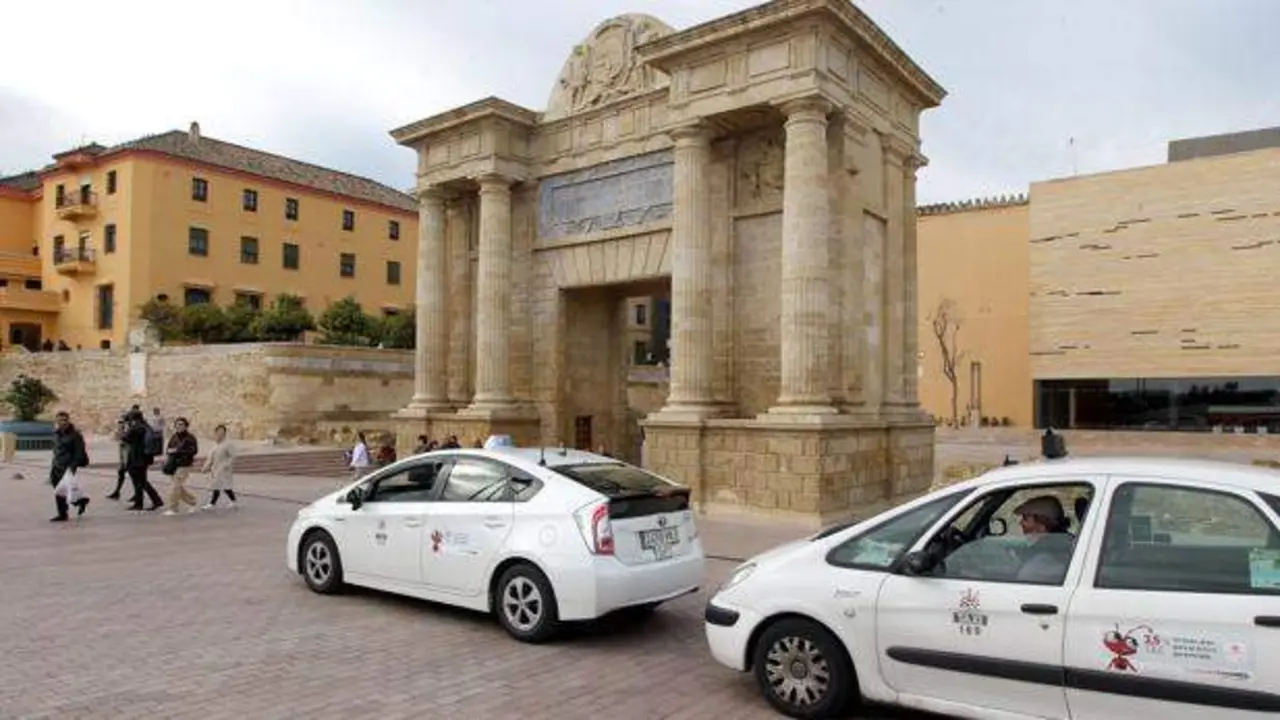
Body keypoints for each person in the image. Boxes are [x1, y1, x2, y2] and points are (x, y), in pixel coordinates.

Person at [1012, 495, 1074, 583]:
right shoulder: (1068, 541)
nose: (1021, 523)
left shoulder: (1038, 565)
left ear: (1041, 525)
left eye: (1025, 518)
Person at [49, 411, 90, 522]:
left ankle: (62, 514)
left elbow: (79, 453)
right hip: (56, 465)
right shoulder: (56, 433)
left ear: (68, 420)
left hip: (68, 466)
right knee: (60, 489)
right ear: (57, 421)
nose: (63, 422)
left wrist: (72, 467)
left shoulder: (75, 435)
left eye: (65, 420)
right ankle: (80, 501)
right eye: (60, 420)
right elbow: (56, 449)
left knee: (60, 490)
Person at [121, 409, 164, 512]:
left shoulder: (136, 427)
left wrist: (125, 427)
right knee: (140, 481)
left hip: (137, 458)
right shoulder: (145, 425)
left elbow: (124, 437)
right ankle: (140, 502)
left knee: (141, 481)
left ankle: (155, 500)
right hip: (144, 457)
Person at [162, 417, 200, 516]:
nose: (179, 426)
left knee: (175, 486)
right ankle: (193, 502)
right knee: (178, 487)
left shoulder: (190, 437)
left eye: (181, 424)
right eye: (177, 424)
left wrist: (178, 451)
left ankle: (173, 508)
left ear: (186, 426)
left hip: (184, 464)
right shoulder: (174, 436)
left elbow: (194, 451)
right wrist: (169, 452)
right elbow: (169, 448)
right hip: (173, 464)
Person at [201, 424, 237, 510]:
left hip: (224, 469)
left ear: (225, 433)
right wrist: (206, 467)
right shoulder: (215, 445)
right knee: (219, 486)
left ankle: (212, 503)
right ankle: (233, 501)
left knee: (224, 486)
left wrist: (227, 465)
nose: (220, 433)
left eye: (222, 432)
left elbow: (233, 456)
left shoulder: (228, 444)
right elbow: (210, 458)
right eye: (218, 432)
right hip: (215, 469)